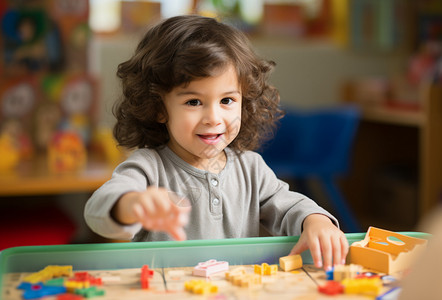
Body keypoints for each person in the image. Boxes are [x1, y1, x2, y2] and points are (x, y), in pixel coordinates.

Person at [84, 15, 348, 271]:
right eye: (193, 102)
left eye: (227, 100)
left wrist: (316, 221)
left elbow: (289, 205)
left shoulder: (251, 168)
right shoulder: (148, 167)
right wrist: (131, 204)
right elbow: (98, 210)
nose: (213, 118)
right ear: (159, 108)